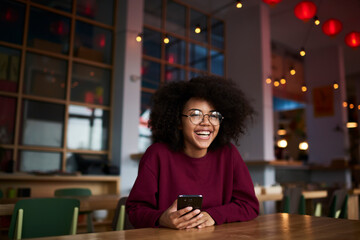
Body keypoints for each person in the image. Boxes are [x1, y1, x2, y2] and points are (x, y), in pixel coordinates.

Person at [126, 76, 259, 229]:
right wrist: (162, 218)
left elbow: (249, 206)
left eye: (214, 115)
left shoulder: (228, 154)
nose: (206, 123)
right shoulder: (157, 155)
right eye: (195, 114)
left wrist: (213, 215)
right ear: (178, 122)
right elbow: (135, 210)